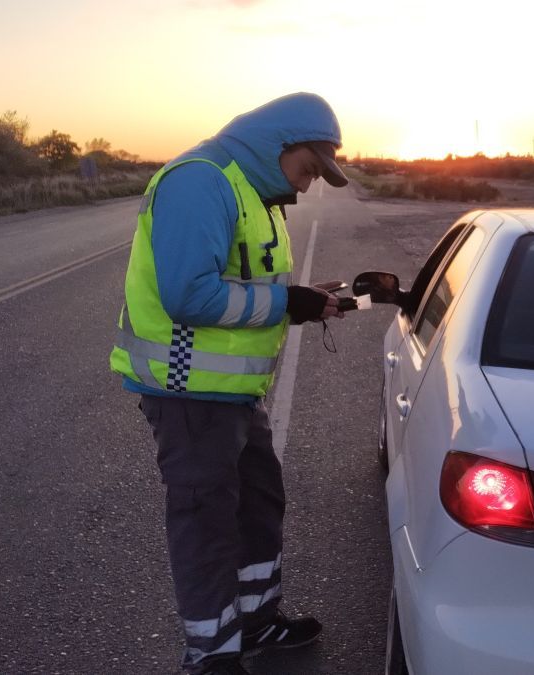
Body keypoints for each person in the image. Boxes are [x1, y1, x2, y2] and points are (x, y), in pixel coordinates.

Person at [110, 92, 352, 674]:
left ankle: (257, 623)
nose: (307, 185)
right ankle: (211, 653)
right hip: (187, 391)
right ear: (278, 148)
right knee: (206, 521)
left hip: (232, 395)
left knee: (258, 507)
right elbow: (189, 294)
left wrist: (302, 301)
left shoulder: (255, 191)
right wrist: (285, 301)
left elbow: (247, 284)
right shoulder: (202, 181)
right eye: (308, 170)